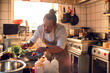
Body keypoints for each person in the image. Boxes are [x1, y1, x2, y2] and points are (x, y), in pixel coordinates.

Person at [22, 9, 71, 73]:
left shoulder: (61, 29)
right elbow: (32, 40)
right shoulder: (40, 28)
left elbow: (60, 48)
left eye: (49, 26)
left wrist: (45, 49)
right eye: (44, 25)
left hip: (61, 57)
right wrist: (27, 44)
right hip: (49, 56)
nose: (45, 28)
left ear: (54, 25)